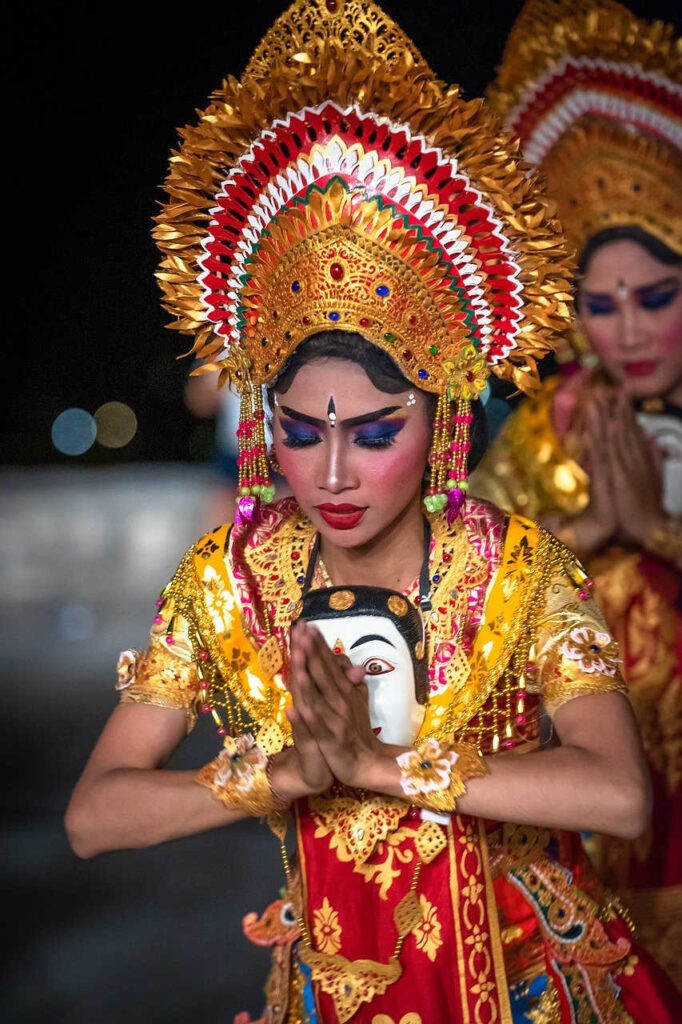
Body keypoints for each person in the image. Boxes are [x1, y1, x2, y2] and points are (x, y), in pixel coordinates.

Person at [65, 1, 682, 1020]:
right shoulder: (227, 580)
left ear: (442, 423)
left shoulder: (514, 567)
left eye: (374, 432)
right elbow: (93, 816)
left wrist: (383, 768)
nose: (334, 473)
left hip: (522, 991)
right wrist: (278, 774)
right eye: (301, 432)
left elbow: (617, 793)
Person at [471, 0, 682, 988]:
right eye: (599, 304)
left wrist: (654, 531)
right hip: (589, 835)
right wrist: (587, 529)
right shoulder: (546, 426)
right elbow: (453, 583)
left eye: (655, 296)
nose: (626, 328)